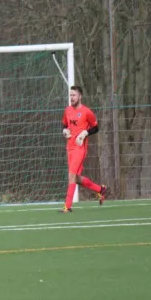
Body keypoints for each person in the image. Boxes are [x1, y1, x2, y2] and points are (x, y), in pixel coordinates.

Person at [61, 85, 108, 213]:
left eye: (74, 95)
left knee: (71, 176)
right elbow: (65, 125)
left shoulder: (87, 112)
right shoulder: (67, 110)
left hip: (80, 148)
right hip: (69, 148)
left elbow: (96, 128)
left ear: (80, 96)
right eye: (70, 95)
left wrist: (85, 133)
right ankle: (100, 189)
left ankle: (67, 206)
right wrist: (64, 131)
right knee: (75, 178)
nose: (72, 98)